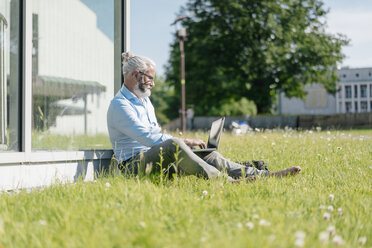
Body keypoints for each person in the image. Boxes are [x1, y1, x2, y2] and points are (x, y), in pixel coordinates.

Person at [107, 52, 301, 182]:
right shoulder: (120, 105)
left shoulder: (144, 101)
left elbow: (154, 135)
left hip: (153, 158)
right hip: (133, 167)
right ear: (135, 75)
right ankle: (227, 182)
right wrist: (185, 141)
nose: (153, 84)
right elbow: (148, 138)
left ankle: (265, 175)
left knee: (210, 154)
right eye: (150, 78)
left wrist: (186, 145)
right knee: (174, 145)